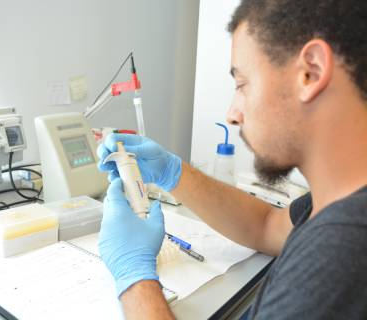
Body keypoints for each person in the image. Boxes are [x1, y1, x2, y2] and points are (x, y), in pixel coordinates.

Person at [97, 0, 367, 319]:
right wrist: (173, 172)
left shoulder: (339, 254)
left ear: (312, 72)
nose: (233, 114)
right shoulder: (335, 201)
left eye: (241, 84)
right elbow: (268, 225)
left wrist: (134, 278)